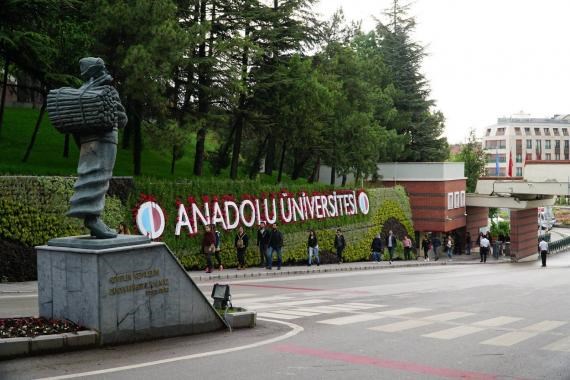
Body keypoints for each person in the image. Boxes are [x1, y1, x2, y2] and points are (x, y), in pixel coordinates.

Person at [64, 58, 127, 239]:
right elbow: (122, 119)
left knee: (87, 175)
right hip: (106, 140)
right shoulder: (107, 90)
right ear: (99, 70)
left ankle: (92, 218)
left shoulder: (81, 93)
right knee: (101, 178)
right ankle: (93, 220)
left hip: (85, 141)